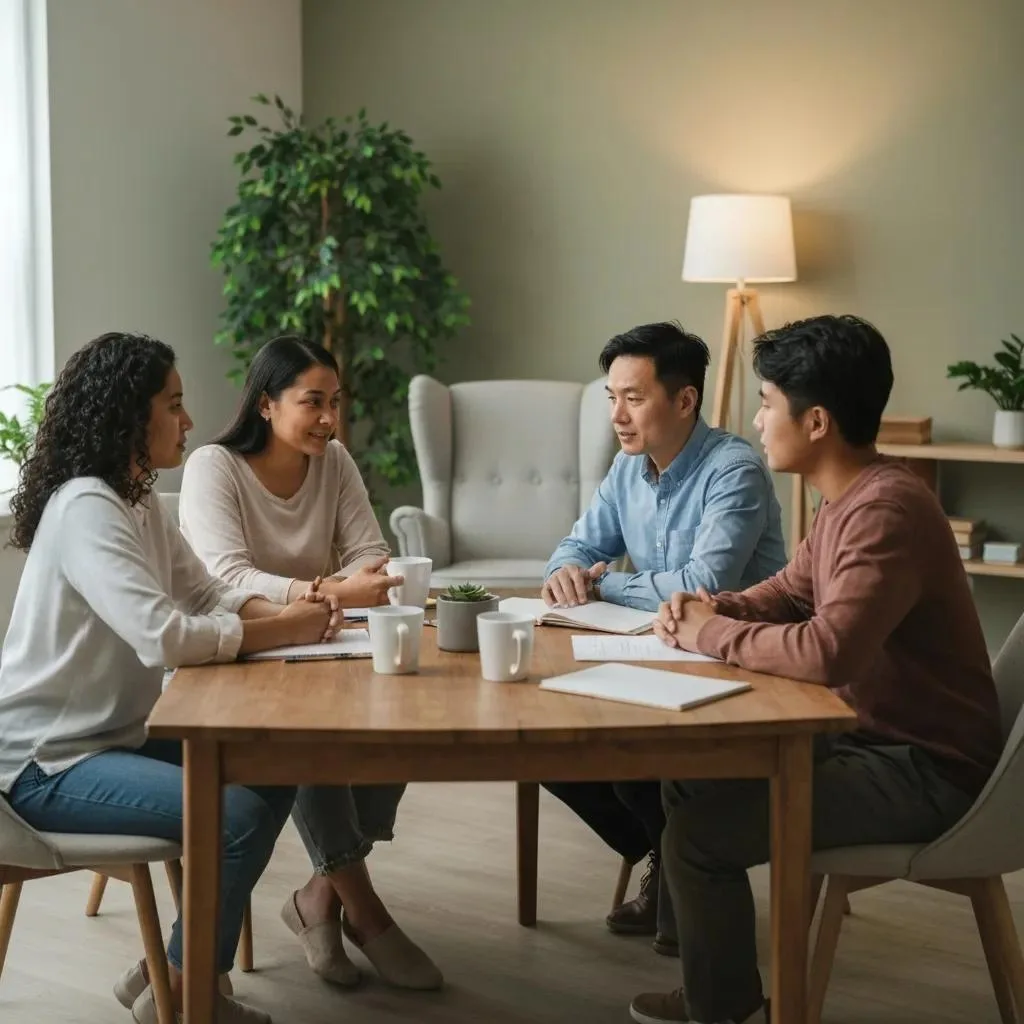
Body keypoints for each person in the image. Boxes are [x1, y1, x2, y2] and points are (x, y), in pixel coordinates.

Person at [631, 315, 1003, 1024]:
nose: (756, 417)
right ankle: (717, 980)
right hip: (871, 737)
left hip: (923, 766)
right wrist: (716, 604)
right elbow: (793, 591)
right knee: (691, 769)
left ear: (819, 421)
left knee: (700, 837)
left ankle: (724, 1009)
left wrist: (712, 635)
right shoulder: (849, 500)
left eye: (767, 401)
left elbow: (828, 651)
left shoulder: (886, 511)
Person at [0, 331, 342, 1024]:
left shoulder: (137, 503)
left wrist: (294, 607)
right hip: (44, 764)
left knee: (273, 761)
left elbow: (207, 593)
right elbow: (163, 635)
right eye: (174, 404)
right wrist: (283, 628)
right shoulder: (87, 507)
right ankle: (188, 998)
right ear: (130, 414)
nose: (189, 421)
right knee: (238, 818)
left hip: (108, 739)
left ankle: (172, 976)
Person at [179, 335, 441, 992]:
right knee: (315, 741)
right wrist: (322, 592)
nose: (330, 418)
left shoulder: (335, 461)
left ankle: (320, 899)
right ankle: (369, 914)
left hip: (325, 644)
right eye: (313, 402)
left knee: (399, 718)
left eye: (335, 402)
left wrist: (335, 595)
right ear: (266, 405)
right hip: (234, 657)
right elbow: (224, 580)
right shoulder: (215, 466)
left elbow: (371, 552)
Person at [541, 322, 787, 953]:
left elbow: (704, 585)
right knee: (550, 747)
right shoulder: (629, 468)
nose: (618, 415)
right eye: (611, 397)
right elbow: (575, 547)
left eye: (634, 397)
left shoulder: (735, 470)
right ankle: (667, 860)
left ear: (684, 400)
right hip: (650, 650)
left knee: (633, 767)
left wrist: (607, 586)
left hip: (732, 662)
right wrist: (568, 572)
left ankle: (678, 880)